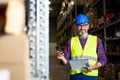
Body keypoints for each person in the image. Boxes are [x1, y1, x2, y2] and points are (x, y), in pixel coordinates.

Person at [56, 14, 106, 80]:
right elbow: (66, 61)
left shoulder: (97, 40)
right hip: (75, 76)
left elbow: (103, 59)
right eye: (79, 25)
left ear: (88, 26)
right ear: (76, 27)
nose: (82, 28)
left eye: (84, 25)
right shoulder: (71, 41)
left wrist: (93, 67)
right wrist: (62, 58)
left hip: (90, 76)